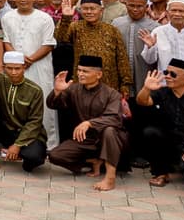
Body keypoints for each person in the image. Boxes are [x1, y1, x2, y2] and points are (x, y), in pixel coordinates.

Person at [46, 56, 125, 192]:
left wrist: (89, 123)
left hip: (108, 140)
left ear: (99, 74)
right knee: (55, 155)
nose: (81, 74)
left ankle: (110, 178)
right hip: (85, 140)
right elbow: (53, 105)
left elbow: (114, 119)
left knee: (110, 130)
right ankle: (94, 161)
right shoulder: (73, 89)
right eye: (79, 70)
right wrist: (58, 91)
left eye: (86, 71)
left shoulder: (112, 94)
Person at [130, 61, 184, 188]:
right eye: (166, 72)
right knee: (150, 133)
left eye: (173, 74)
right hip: (167, 142)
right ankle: (161, 174)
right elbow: (142, 101)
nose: (167, 76)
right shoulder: (163, 92)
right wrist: (146, 88)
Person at [0, 48, 48, 173]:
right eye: (9, 68)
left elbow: (35, 122)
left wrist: (17, 145)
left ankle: (17, 153)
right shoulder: (0, 79)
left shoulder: (35, 90)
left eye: (17, 68)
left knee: (34, 159)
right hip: (7, 130)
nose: (13, 72)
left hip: (30, 134)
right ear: (4, 67)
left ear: (24, 68)